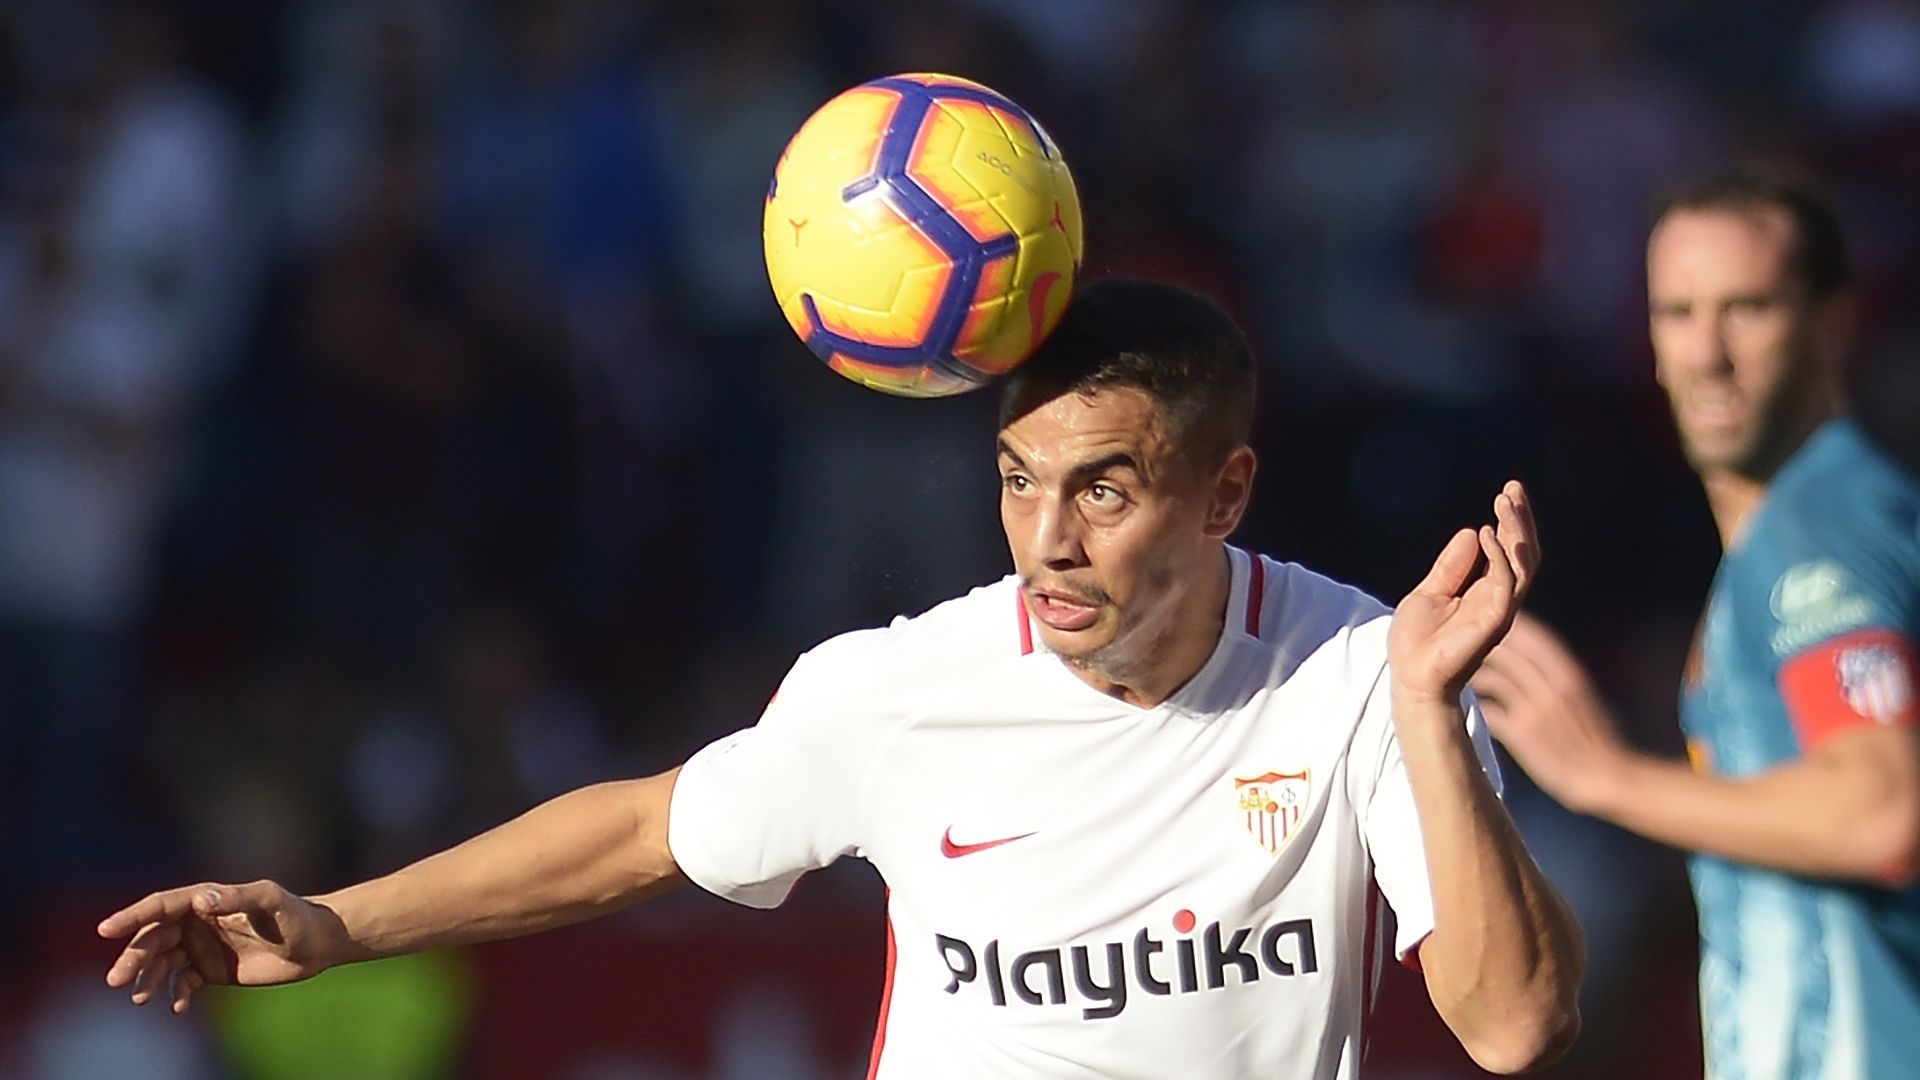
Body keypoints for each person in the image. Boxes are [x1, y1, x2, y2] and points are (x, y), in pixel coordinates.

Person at [101, 279, 1583, 1078]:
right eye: (1016, 481)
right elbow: (640, 831)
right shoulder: (901, 691)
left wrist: (1421, 716)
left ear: (1226, 491)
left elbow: (1514, 1029)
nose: (1045, 544)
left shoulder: (1356, 676)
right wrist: (334, 923)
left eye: (1104, 493)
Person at [1469, 170, 1920, 1077]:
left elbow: (1883, 809)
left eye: (1747, 308)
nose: (1707, 352)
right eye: (1677, 313)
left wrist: (1608, 776)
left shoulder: (1816, 533)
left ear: (1833, 323)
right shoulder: (1796, 535)